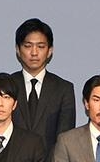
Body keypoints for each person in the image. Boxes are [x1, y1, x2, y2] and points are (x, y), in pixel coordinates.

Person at [14, 18, 76, 147]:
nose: (34, 52)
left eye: (41, 46)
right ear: (18, 50)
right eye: (28, 46)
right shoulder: (6, 86)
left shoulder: (63, 89)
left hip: (51, 159)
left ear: (50, 51)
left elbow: (65, 139)